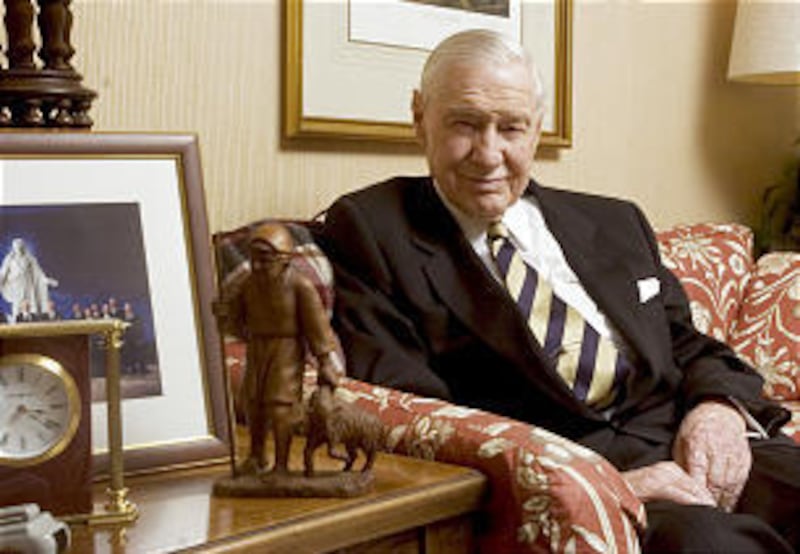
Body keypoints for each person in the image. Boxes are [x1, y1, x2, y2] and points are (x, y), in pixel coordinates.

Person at [320, 29, 799, 552]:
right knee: (712, 545)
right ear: (419, 117)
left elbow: (686, 343)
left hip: (687, 439)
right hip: (571, 475)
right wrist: (602, 485)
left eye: (511, 128)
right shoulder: (370, 230)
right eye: (465, 124)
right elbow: (414, 414)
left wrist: (718, 409)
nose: (488, 153)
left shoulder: (614, 220)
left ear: (537, 130)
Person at [215, 223, 340, 475]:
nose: (258, 266)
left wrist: (325, 360)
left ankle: (281, 465)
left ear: (285, 259)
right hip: (257, 348)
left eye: (265, 259)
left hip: (286, 350)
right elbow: (235, 320)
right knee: (253, 403)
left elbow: (317, 327)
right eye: (254, 260)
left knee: (280, 408)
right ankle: (256, 456)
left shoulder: (300, 286)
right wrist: (223, 314)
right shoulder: (248, 284)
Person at [0, 238, 58, 322]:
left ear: (23, 247)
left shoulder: (29, 258)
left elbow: (38, 272)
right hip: (16, 285)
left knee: (31, 304)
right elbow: (3, 272)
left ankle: (33, 320)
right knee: (17, 305)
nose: (18, 249)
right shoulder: (9, 259)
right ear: (14, 248)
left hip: (28, 284)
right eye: (16, 247)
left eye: (20, 247)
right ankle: (17, 320)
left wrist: (45, 279)